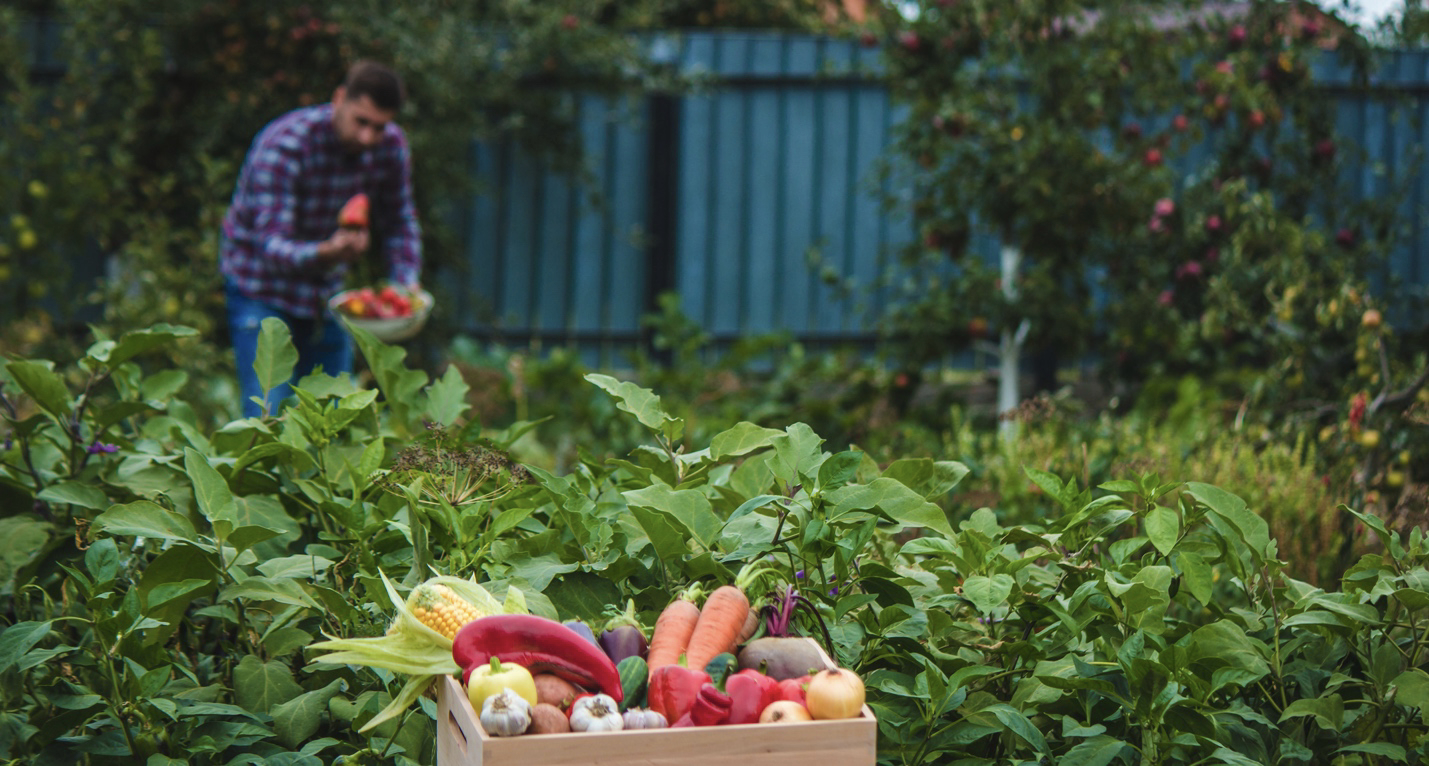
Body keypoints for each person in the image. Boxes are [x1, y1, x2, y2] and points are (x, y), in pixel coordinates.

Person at [220, 60, 422, 418]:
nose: (368, 138)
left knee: (336, 418)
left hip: (327, 298)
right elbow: (270, 246)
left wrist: (403, 288)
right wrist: (328, 251)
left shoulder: (390, 146)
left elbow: (400, 221)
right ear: (339, 98)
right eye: (361, 122)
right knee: (269, 416)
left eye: (379, 126)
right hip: (261, 290)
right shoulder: (285, 145)